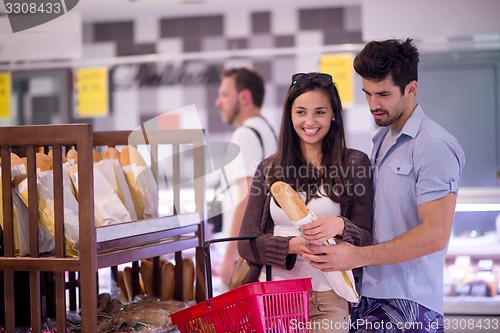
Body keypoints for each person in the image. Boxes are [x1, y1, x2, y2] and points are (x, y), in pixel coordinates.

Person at [303, 39, 466, 332]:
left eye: (383, 94)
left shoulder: (433, 146)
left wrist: (356, 255)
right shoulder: (383, 138)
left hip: (409, 305)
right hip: (370, 297)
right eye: (367, 93)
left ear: (411, 88)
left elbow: (435, 235)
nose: (373, 104)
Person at [238, 72, 373, 332]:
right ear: (290, 115)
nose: (309, 121)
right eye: (301, 112)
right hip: (275, 299)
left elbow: (367, 239)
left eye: (320, 112)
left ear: (333, 115)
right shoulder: (268, 168)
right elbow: (246, 243)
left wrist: (341, 225)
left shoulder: (355, 164)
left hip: (330, 299)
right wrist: (291, 246)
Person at [213, 67, 277, 286]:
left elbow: (247, 196)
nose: (218, 102)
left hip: (244, 254)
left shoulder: (245, 134)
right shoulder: (267, 130)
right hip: (258, 250)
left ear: (245, 97)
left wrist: (230, 256)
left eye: (224, 94)